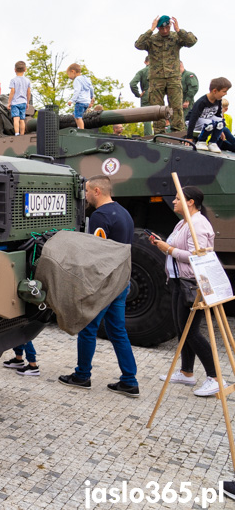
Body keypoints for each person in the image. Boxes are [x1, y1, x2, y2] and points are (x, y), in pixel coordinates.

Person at [59, 175, 139, 397]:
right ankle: (129, 380)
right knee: (118, 331)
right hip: (122, 280)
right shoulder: (124, 213)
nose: (84, 195)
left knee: (87, 328)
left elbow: (96, 253)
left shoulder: (100, 216)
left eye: (86, 191)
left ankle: (82, 376)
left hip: (105, 283)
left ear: (96, 191)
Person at [149, 186, 226, 397]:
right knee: (182, 330)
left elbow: (196, 256)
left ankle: (216, 378)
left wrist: (168, 249)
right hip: (178, 281)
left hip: (192, 283)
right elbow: (177, 246)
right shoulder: (184, 222)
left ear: (190, 201)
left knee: (190, 332)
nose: (173, 202)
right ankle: (186, 372)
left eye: (177, 199)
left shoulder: (198, 225)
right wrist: (161, 243)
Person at [135, 15, 197, 134]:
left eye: (167, 28)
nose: (164, 31)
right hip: (156, 78)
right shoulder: (152, 39)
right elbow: (138, 44)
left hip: (173, 77)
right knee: (156, 107)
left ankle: (177, 131)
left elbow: (192, 41)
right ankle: (159, 133)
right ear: (158, 28)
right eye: (161, 28)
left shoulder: (176, 37)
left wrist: (179, 30)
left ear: (170, 26)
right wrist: (151, 29)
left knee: (176, 107)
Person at [187, 77, 231, 153]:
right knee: (209, 124)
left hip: (206, 120)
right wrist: (189, 137)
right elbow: (193, 118)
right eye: (224, 91)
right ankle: (201, 141)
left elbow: (218, 116)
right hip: (194, 122)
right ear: (215, 91)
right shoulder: (202, 102)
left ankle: (213, 142)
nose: (225, 94)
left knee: (221, 122)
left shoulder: (218, 100)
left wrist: (220, 130)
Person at [130, 56, 153, 136]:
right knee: (160, 114)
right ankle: (160, 135)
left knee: (147, 117)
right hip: (158, 94)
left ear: (145, 62)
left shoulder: (142, 72)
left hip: (146, 94)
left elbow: (132, 84)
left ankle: (149, 135)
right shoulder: (159, 71)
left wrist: (138, 94)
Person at [7, 61, 32, 135]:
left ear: (15, 70)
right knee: (22, 120)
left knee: (16, 119)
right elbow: (28, 92)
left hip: (15, 102)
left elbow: (12, 91)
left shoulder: (13, 80)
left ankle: (17, 133)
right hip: (23, 102)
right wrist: (27, 102)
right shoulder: (27, 80)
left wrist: (9, 102)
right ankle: (22, 134)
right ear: (25, 69)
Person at [66, 63, 94, 130]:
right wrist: (91, 97)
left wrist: (72, 100)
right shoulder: (85, 78)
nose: (69, 77)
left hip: (80, 101)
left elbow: (77, 91)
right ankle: (79, 126)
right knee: (75, 115)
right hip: (86, 102)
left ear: (73, 71)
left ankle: (81, 130)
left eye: (69, 74)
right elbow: (91, 88)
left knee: (78, 117)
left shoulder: (77, 80)